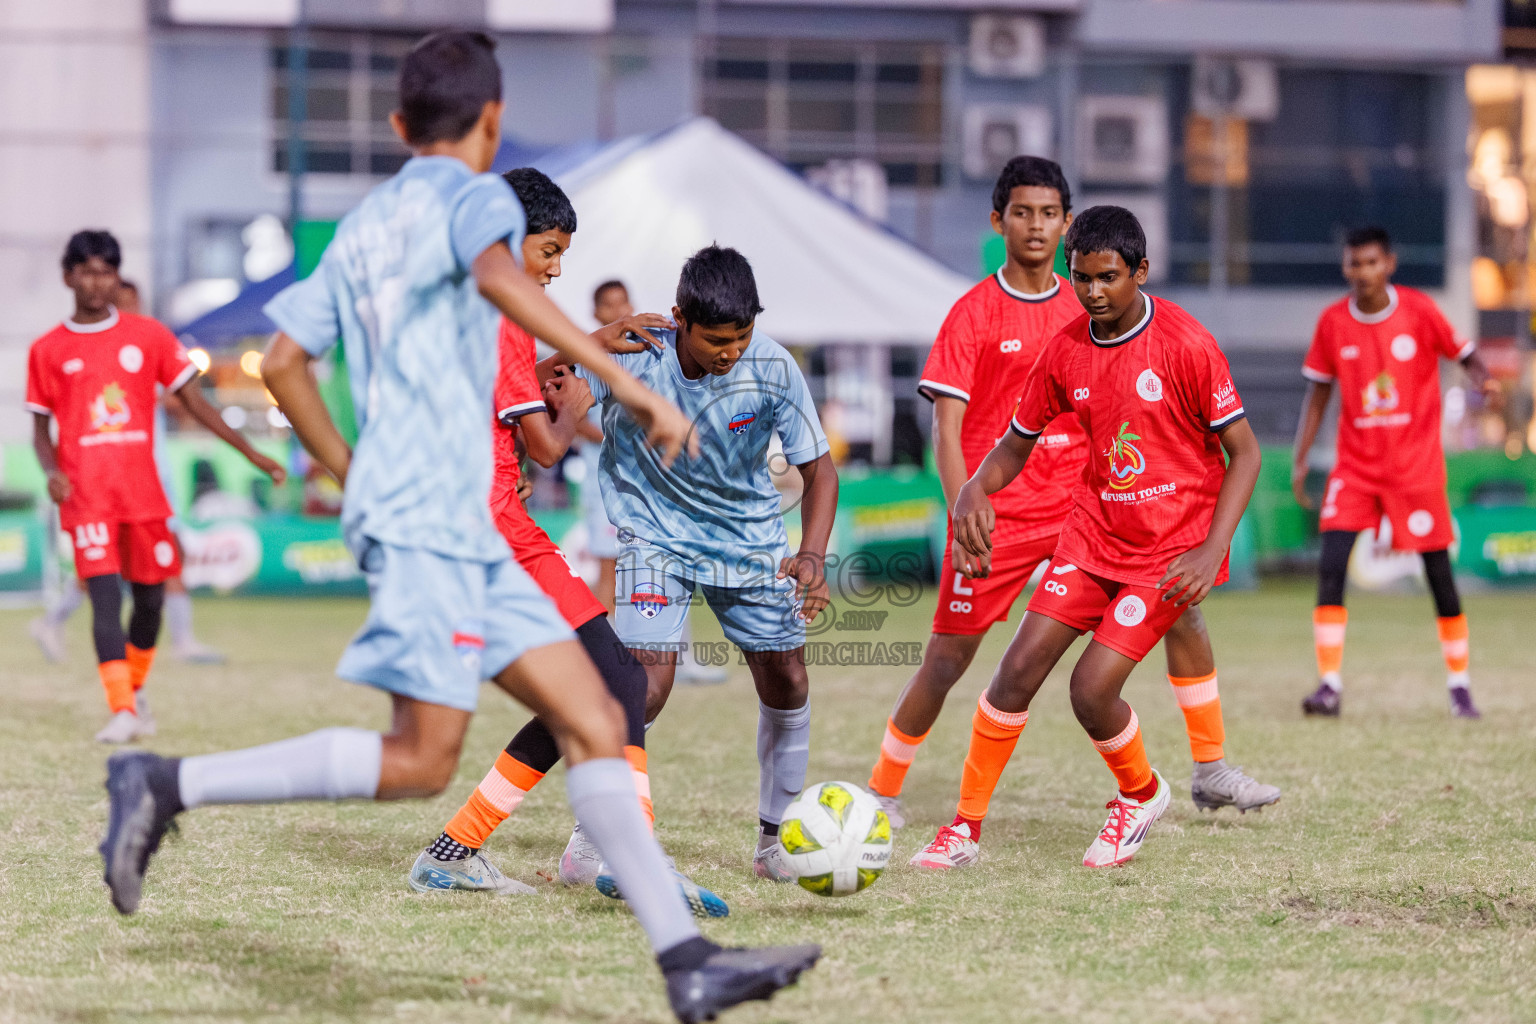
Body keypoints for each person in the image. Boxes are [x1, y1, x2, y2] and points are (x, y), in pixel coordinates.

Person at [95, 33, 818, 1022]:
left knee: (598, 707)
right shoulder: (482, 203)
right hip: (444, 526)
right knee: (426, 755)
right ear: (492, 121)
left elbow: (284, 362)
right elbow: (501, 283)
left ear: (398, 125)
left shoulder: (362, 230)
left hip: (443, 521)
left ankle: (687, 962)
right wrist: (626, 382)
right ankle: (165, 781)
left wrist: (353, 475)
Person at [872, 157, 1278, 837]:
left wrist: (1206, 538)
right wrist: (963, 502)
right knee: (953, 658)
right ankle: (885, 790)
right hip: (1002, 514)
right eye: (1022, 213)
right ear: (998, 221)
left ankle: (1207, 767)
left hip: (1087, 505)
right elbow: (954, 429)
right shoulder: (976, 313)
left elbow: (1219, 440)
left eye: (1048, 213)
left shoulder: (1108, 302)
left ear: (1067, 223)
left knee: (1179, 613)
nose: (1036, 225)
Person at [407, 168, 725, 918]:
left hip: (479, 528)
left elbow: (510, 377)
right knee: (620, 683)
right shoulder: (505, 315)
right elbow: (546, 448)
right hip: (501, 535)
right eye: (549, 250)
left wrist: (587, 344)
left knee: (594, 691)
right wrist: (576, 400)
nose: (554, 270)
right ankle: (633, 857)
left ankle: (457, 851)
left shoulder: (470, 305)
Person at [556, 245, 838, 883]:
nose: (730, 352)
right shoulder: (634, 352)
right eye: (716, 340)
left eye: (741, 336)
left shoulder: (774, 366)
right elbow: (550, 402)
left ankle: (775, 842)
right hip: (652, 537)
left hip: (748, 540)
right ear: (679, 317)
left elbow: (820, 471)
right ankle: (591, 840)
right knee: (644, 686)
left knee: (787, 679)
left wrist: (812, 555)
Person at [25, 233, 285, 744]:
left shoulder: (149, 336)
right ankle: (122, 708)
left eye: (106, 272)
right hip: (86, 498)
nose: (96, 283)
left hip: (142, 496)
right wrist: (51, 470)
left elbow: (197, 403)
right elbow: (39, 430)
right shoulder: (47, 349)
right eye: (87, 272)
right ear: (68, 276)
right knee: (104, 602)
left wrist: (252, 453)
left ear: (117, 278)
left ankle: (136, 693)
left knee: (149, 605)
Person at [1292, 226, 1497, 719]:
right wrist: (1301, 458)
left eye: (1371, 262)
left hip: (1415, 469)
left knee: (1439, 574)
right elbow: (1317, 395)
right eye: (1354, 263)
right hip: (1355, 468)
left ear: (1389, 264)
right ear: (1345, 267)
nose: (1362, 272)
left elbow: (1466, 354)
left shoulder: (1420, 311)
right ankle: (1329, 685)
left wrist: (1484, 380)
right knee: (1332, 566)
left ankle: (1460, 686)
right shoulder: (1332, 322)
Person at [29, 278, 233, 667]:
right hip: (121, 479)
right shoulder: (95, 353)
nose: (133, 311)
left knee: (145, 561)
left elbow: (179, 400)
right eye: (125, 304)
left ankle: (54, 622)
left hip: (152, 472)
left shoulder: (145, 345)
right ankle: (177, 642)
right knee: (126, 564)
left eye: (136, 303)